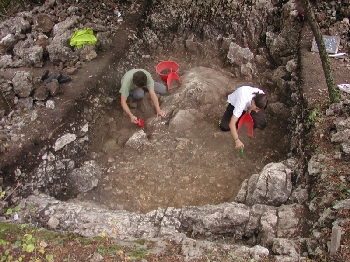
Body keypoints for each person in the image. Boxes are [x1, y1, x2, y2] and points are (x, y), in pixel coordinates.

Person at [219, 84, 268, 150]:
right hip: (234, 104)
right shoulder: (241, 101)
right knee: (224, 126)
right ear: (253, 101)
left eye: (258, 109)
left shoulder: (262, 96)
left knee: (262, 124)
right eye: (256, 108)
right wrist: (237, 140)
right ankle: (235, 93)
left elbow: (256, 107)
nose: (256, 111)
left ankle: (242, 114)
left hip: (249, 105)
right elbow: (232, 124)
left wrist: (250, 109)